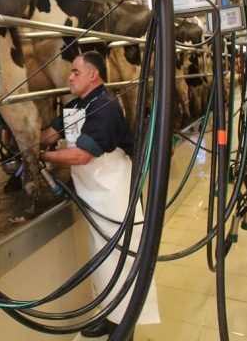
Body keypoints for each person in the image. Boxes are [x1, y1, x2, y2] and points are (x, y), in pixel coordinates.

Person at [39, 51, 159, 338]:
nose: (69, 77)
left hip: (114, 196)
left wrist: (43, 156)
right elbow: (49, 135)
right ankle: (108, 317)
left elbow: (81, 156)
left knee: (122, 262)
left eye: (75, 72)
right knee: (103, 262)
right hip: (94, 197)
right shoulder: (77, 105)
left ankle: (125, 329)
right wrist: (20, 130)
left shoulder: (105, 106)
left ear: (93, 74)